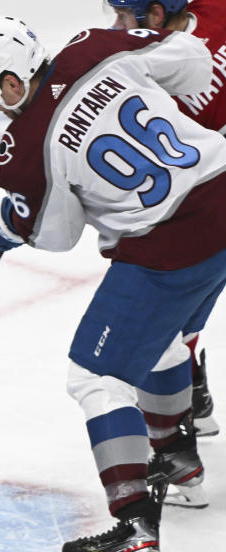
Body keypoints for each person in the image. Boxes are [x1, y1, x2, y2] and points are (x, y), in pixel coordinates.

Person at [0, 15, 225, 552]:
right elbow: (196, 62)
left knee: (96, 375)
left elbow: (55, 234)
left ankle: (132, 533)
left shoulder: (25, 147)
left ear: (11, 79)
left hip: (171, 244)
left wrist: (11, 219)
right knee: (161, 337)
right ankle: (177, 460)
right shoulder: (95, 47)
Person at [105, 0, 224, 437]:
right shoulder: (214, 9)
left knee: (173, 312)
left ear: (156, 16)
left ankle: (188, 404)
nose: (116, 24)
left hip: (210, 206)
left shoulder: (155, 79)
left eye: (123, 14)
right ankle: (195, 396)